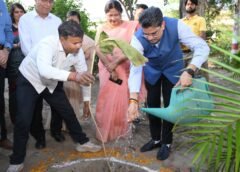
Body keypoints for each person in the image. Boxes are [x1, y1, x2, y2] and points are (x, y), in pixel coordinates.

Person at [7, 21, 102, 172]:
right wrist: (73, 75)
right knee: (23, 119)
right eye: (75, 43)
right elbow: (44, 70)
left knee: (68, 112)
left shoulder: (78, 52)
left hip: (52, 83)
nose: (78, 46)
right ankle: (17, 161)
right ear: (62, 39)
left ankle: (82, 142)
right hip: (29, 80)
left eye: (80, 42)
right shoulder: (47, 44)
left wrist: (86, 100)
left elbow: (83, 75)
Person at [127, 7, 209, 160]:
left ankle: (167, 142)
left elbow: (202, 47)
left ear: (162, 25)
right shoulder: (137, 38)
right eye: (147, 34)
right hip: (152, 72)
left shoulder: (177, 26)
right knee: (152, 105)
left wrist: (189, 70)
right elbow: (135, 69)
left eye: (154, 33)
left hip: (174, 71)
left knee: (171, 107)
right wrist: (133, 99)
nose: (150, 38)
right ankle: (156, 138)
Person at [18, 0, 64, 149]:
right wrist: (43, 66)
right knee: (35, 106)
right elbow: (26, 46)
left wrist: (53, 68)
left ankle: (56, 131)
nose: (47, 4)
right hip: (34, 71)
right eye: (44, 0)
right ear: (36, 1)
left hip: (55, 69)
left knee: (57, 104)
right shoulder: (25, 19)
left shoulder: (57, 21)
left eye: (51, 1)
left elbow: (62, 45)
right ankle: (39, 137)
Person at [95, 0, 139, 143]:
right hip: (106, 68)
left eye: (116, 15)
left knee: (122, 99)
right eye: (110, 15)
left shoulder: (131, 27)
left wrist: (115, 63)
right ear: (105, 15)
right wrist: (109, 65)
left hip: (123, 66)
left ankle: (121, 131)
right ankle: (105, 131)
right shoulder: (102, 28)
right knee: (106, 99)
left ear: (121, 14)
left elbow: (134, 48)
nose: (113, 18)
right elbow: (97, 48)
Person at [6, 3, 26, 124]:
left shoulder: (27, 26)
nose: (19, 14)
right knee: (14, 92)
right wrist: (15, 45)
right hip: (13, 63)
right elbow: (4, 43)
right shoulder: (9, 28)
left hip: (27, 64)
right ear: (12, 14)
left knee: (26, 92)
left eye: (21, 11)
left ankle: (25, 117)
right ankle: (15, 119)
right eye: (16, 12)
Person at [181, 0, 209, 80]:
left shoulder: (200, 19)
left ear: (196, 6)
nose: (189, 6)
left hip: (194, 53)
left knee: (194, 77)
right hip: (181, 54)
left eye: (192, 4)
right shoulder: (181, 21)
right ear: (185, 6)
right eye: (188, 4)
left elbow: (202, 36)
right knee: (182, 76)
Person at [0, 0, 13, 150]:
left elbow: (9, 31)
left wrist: (6, 50)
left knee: (0, 102)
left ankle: (2, 136)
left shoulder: (2, 3)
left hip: (1, 55)